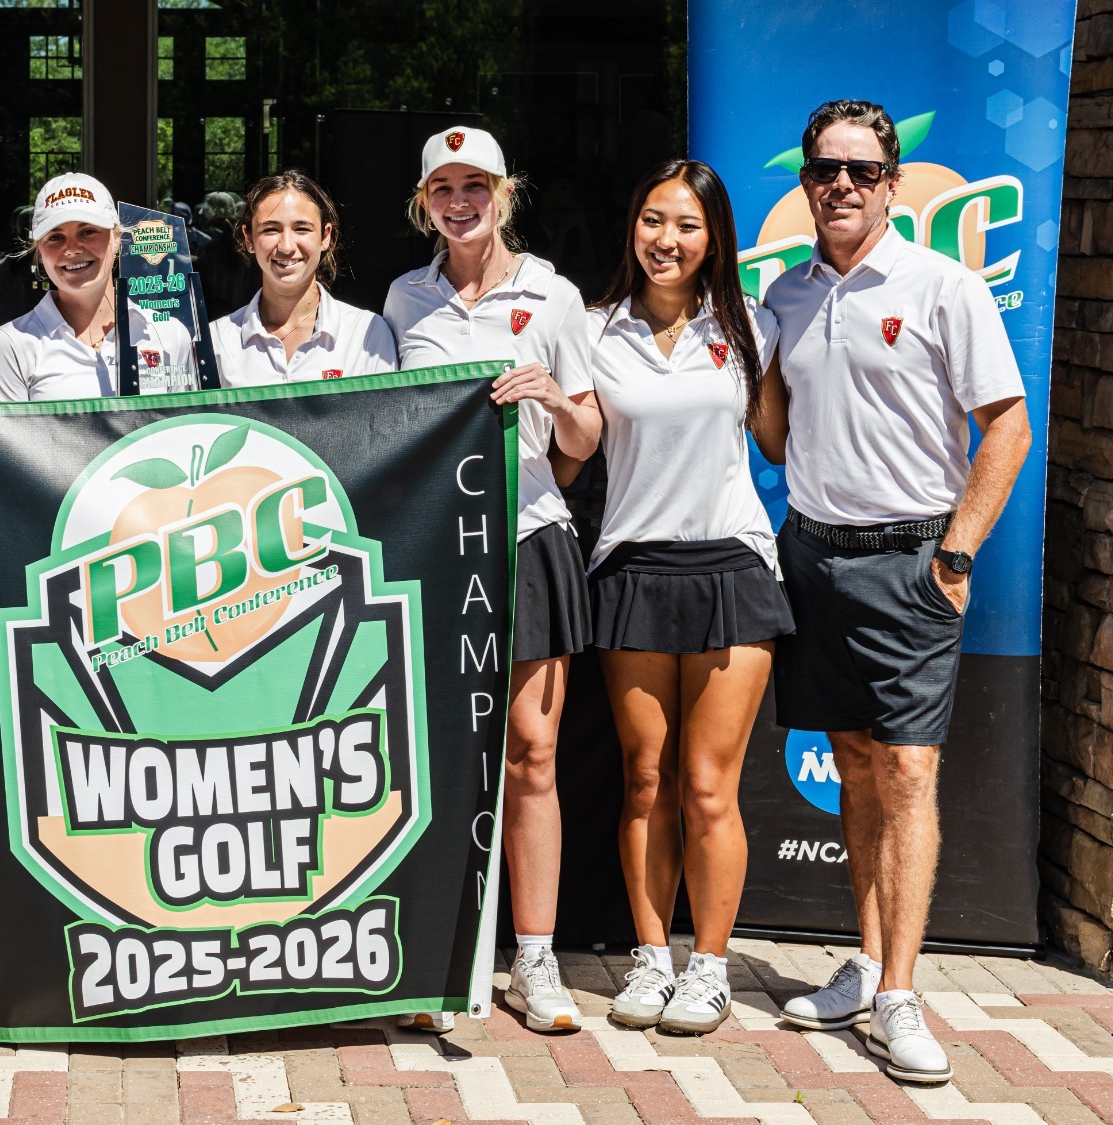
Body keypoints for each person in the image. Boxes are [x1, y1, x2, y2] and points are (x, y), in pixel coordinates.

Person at [769, 101, 1030, 1083]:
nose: (841, 183)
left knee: (909, 773)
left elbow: (1004, 426)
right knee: (854, 762)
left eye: (862, 169)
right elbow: (768, 423)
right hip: (814, 559)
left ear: (889, 182)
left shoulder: (940, 287)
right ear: (804, 180)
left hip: (911, 559)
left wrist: (954, 556)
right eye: (824, 167)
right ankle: (869, 962)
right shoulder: (784, 297)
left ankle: (898, 999)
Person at [383, 126, 602, 1034]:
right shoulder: (402, 300)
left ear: (506, 192)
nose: (461, 201)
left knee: (533, 755)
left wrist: (552, 396)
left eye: (477, 185)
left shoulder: (554, 293)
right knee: (432, 757)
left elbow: (586, 441)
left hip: (529, 536)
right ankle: (448, 948)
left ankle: (536, 958)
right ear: (424, 201)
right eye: (445, 187)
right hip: (434, 554)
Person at [585, 160, 791, 1035]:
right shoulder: (593, 331)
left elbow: (779, 441)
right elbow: (569, 440)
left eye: (687, 226)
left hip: (732, 569)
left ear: (715, 240)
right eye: (652, 220)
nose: (666, 240)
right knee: (643, 780)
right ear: (633, 227)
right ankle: (649, 957)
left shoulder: (754, 328)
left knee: (708, 786)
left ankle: (709, 966)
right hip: (632, 568)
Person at [0, 172, 196, 401]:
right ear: (39, 251)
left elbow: (184, 430)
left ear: (116, 238)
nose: (72, 249)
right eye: (55, 237)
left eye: (88, 232)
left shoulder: (171, 334)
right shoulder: (12, 345)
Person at [208, 170, 397, 386]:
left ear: (326, 237)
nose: (287, 246)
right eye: (271, 229)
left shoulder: (367, 334)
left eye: (302, 229)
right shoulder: (218, 341)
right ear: (248, 238)